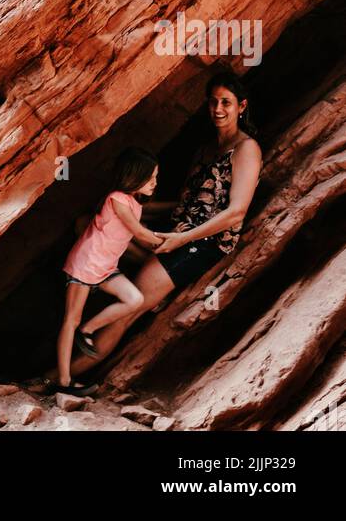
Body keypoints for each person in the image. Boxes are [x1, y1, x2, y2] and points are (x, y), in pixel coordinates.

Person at [74, 70, 262, 374]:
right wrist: (127, 204)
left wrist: (182, 239)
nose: (218, 109)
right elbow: (184, 202)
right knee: (88, 224)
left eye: (226, 102)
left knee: (128, 311)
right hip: (177, 229)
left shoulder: (247, 149)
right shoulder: (205, 149)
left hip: (205, 241)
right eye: (213, 102)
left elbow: (236, 212)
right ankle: (140, 286)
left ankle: (59, 377)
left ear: (242, 106)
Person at [33, 148, 163, 394]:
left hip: (105, 268)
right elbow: (139, 232)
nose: (155, 183)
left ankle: (89, 330)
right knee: (71, 320)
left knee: (135, 299)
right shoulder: (116, 198)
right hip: (86, 264)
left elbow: (142, 223)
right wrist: (173, 240)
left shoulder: (135, 203)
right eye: (151, 177)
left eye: (156, 177)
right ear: (135, 176)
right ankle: (63, 381)